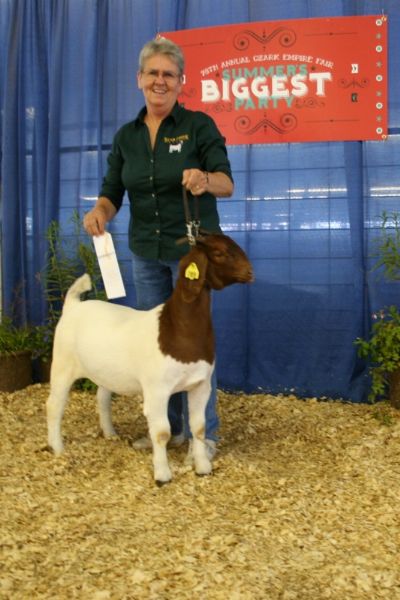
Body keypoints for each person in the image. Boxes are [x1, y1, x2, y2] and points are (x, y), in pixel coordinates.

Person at [83, 37, 234, 461]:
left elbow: (227, 182)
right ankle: (165, 432)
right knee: (156, 347)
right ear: (139, 80)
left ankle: (206, 434)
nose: (160, 81)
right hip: (145, 252)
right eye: (153, 73)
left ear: (181, 82)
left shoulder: (199, 126)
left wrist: (205, 179)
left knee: (194, 343)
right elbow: (112, 191)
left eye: (169, 74)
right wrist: (100, 210)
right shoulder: (126, 137)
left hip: (191, 255)